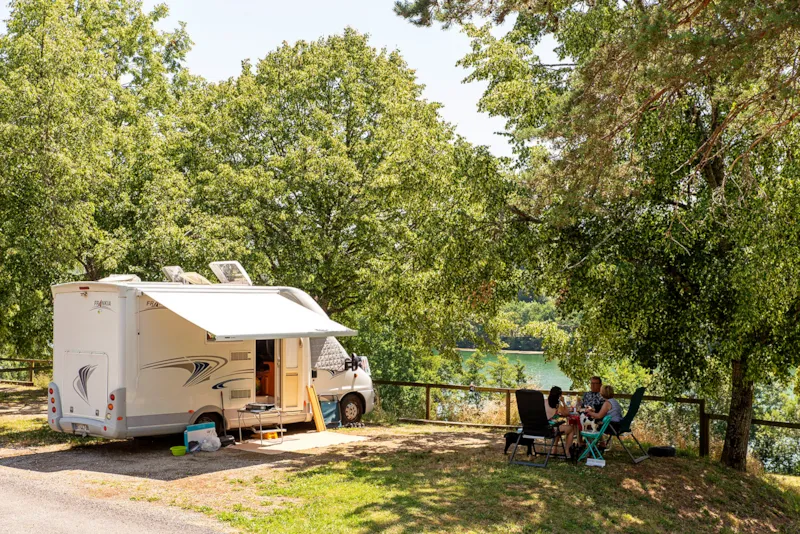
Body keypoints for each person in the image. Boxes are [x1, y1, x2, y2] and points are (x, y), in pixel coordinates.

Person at [544, 386, 575, 458]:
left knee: (558, 427)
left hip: (542, 428)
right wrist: (563, 402)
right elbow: (567, 413)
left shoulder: (544, 401)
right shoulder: (557, 405)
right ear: (559, 396)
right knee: (571, 429)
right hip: (551, 429)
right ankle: (567, 452)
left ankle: (553, 450)